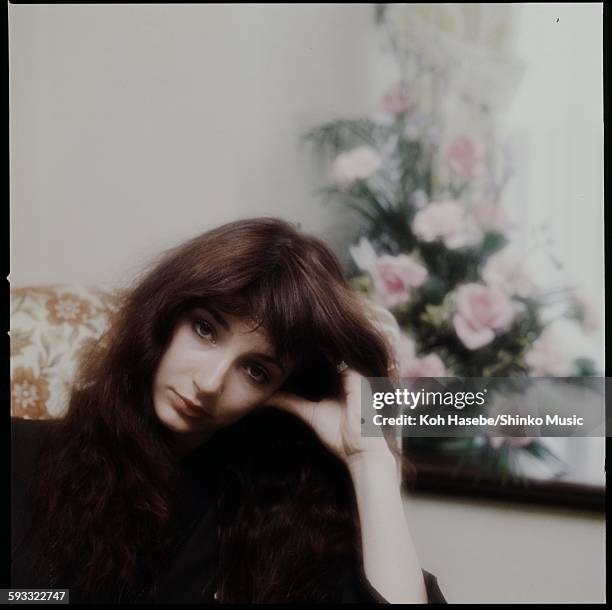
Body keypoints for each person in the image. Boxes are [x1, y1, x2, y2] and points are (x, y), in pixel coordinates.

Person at [11, 217, 446, 604]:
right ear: (164, 317)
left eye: (256, 371)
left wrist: (370, 461)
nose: (210, 382)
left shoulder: (278, 524)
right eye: (205, 329)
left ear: (282, 391)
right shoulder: (20, 454)